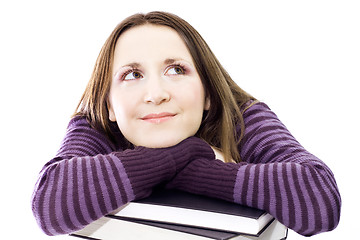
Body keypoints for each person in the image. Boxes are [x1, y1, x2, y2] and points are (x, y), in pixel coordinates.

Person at [31, 11, 341, 237]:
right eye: (132, 75)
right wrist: (188, 153)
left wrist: (189, 172)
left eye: (176, 70)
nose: (156, 94)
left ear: (208, 92)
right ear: (110, 105)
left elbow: (320, 200)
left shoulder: (241, 118)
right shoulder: (97, 125)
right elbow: (50, 205)